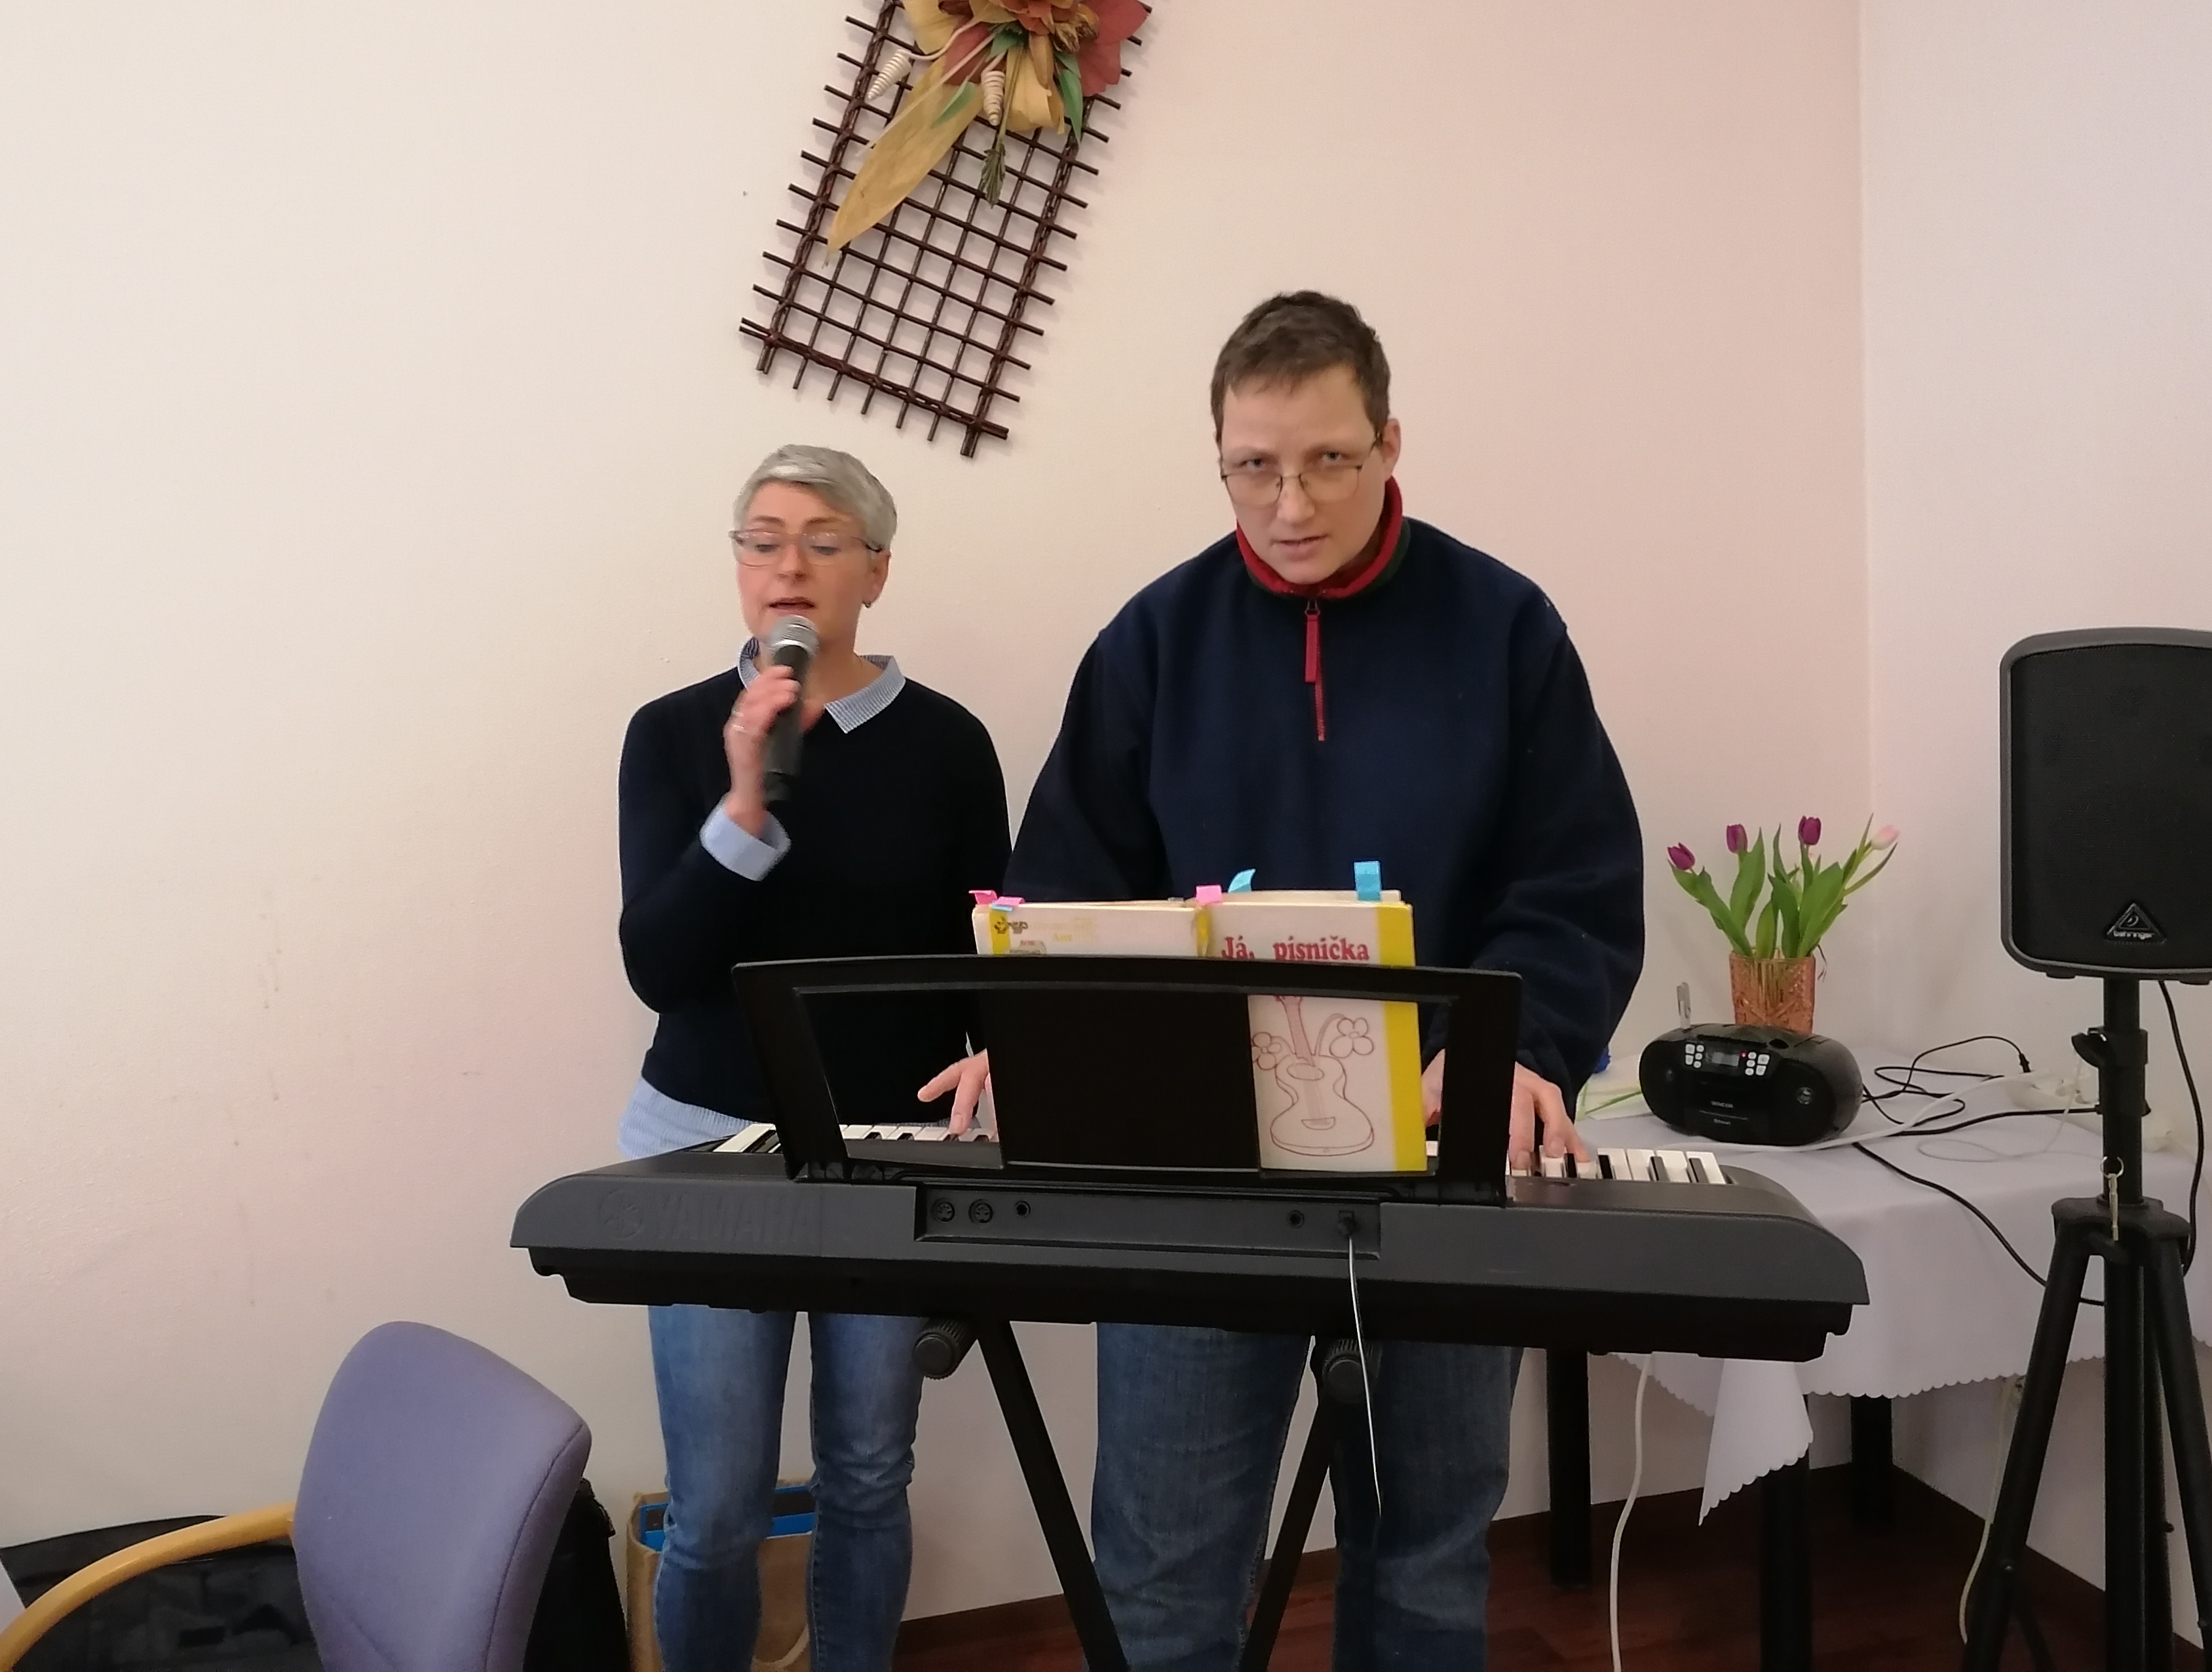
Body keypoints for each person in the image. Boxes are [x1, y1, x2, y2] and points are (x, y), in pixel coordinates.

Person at [924, 293, 1644, 1671]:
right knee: (1161, 1582)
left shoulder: (1504, 628)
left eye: (1327, 461)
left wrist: (1524, 1048)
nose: (1290, 504)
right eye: (1252, 467)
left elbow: (1573, 881)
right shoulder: (1152, 641)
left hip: (1439, 1162)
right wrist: (1039, 1041)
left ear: (1389, 443)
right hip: (1192, 1181)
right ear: (1218, 457)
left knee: (1427, 1568)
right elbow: (1066, 889)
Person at [615, 444, 1009, 1672]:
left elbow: (987, 956)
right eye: (763, 541)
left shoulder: (949, 745)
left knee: (867, 1476)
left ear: (875, 572)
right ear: (738, 567)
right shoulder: (672, 734)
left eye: (824, 542)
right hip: (705, 1149)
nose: (789, 566)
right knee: (719, 1505)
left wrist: (1006, 1054)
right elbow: (658, 967)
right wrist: (744, 807)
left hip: (887, 1157)